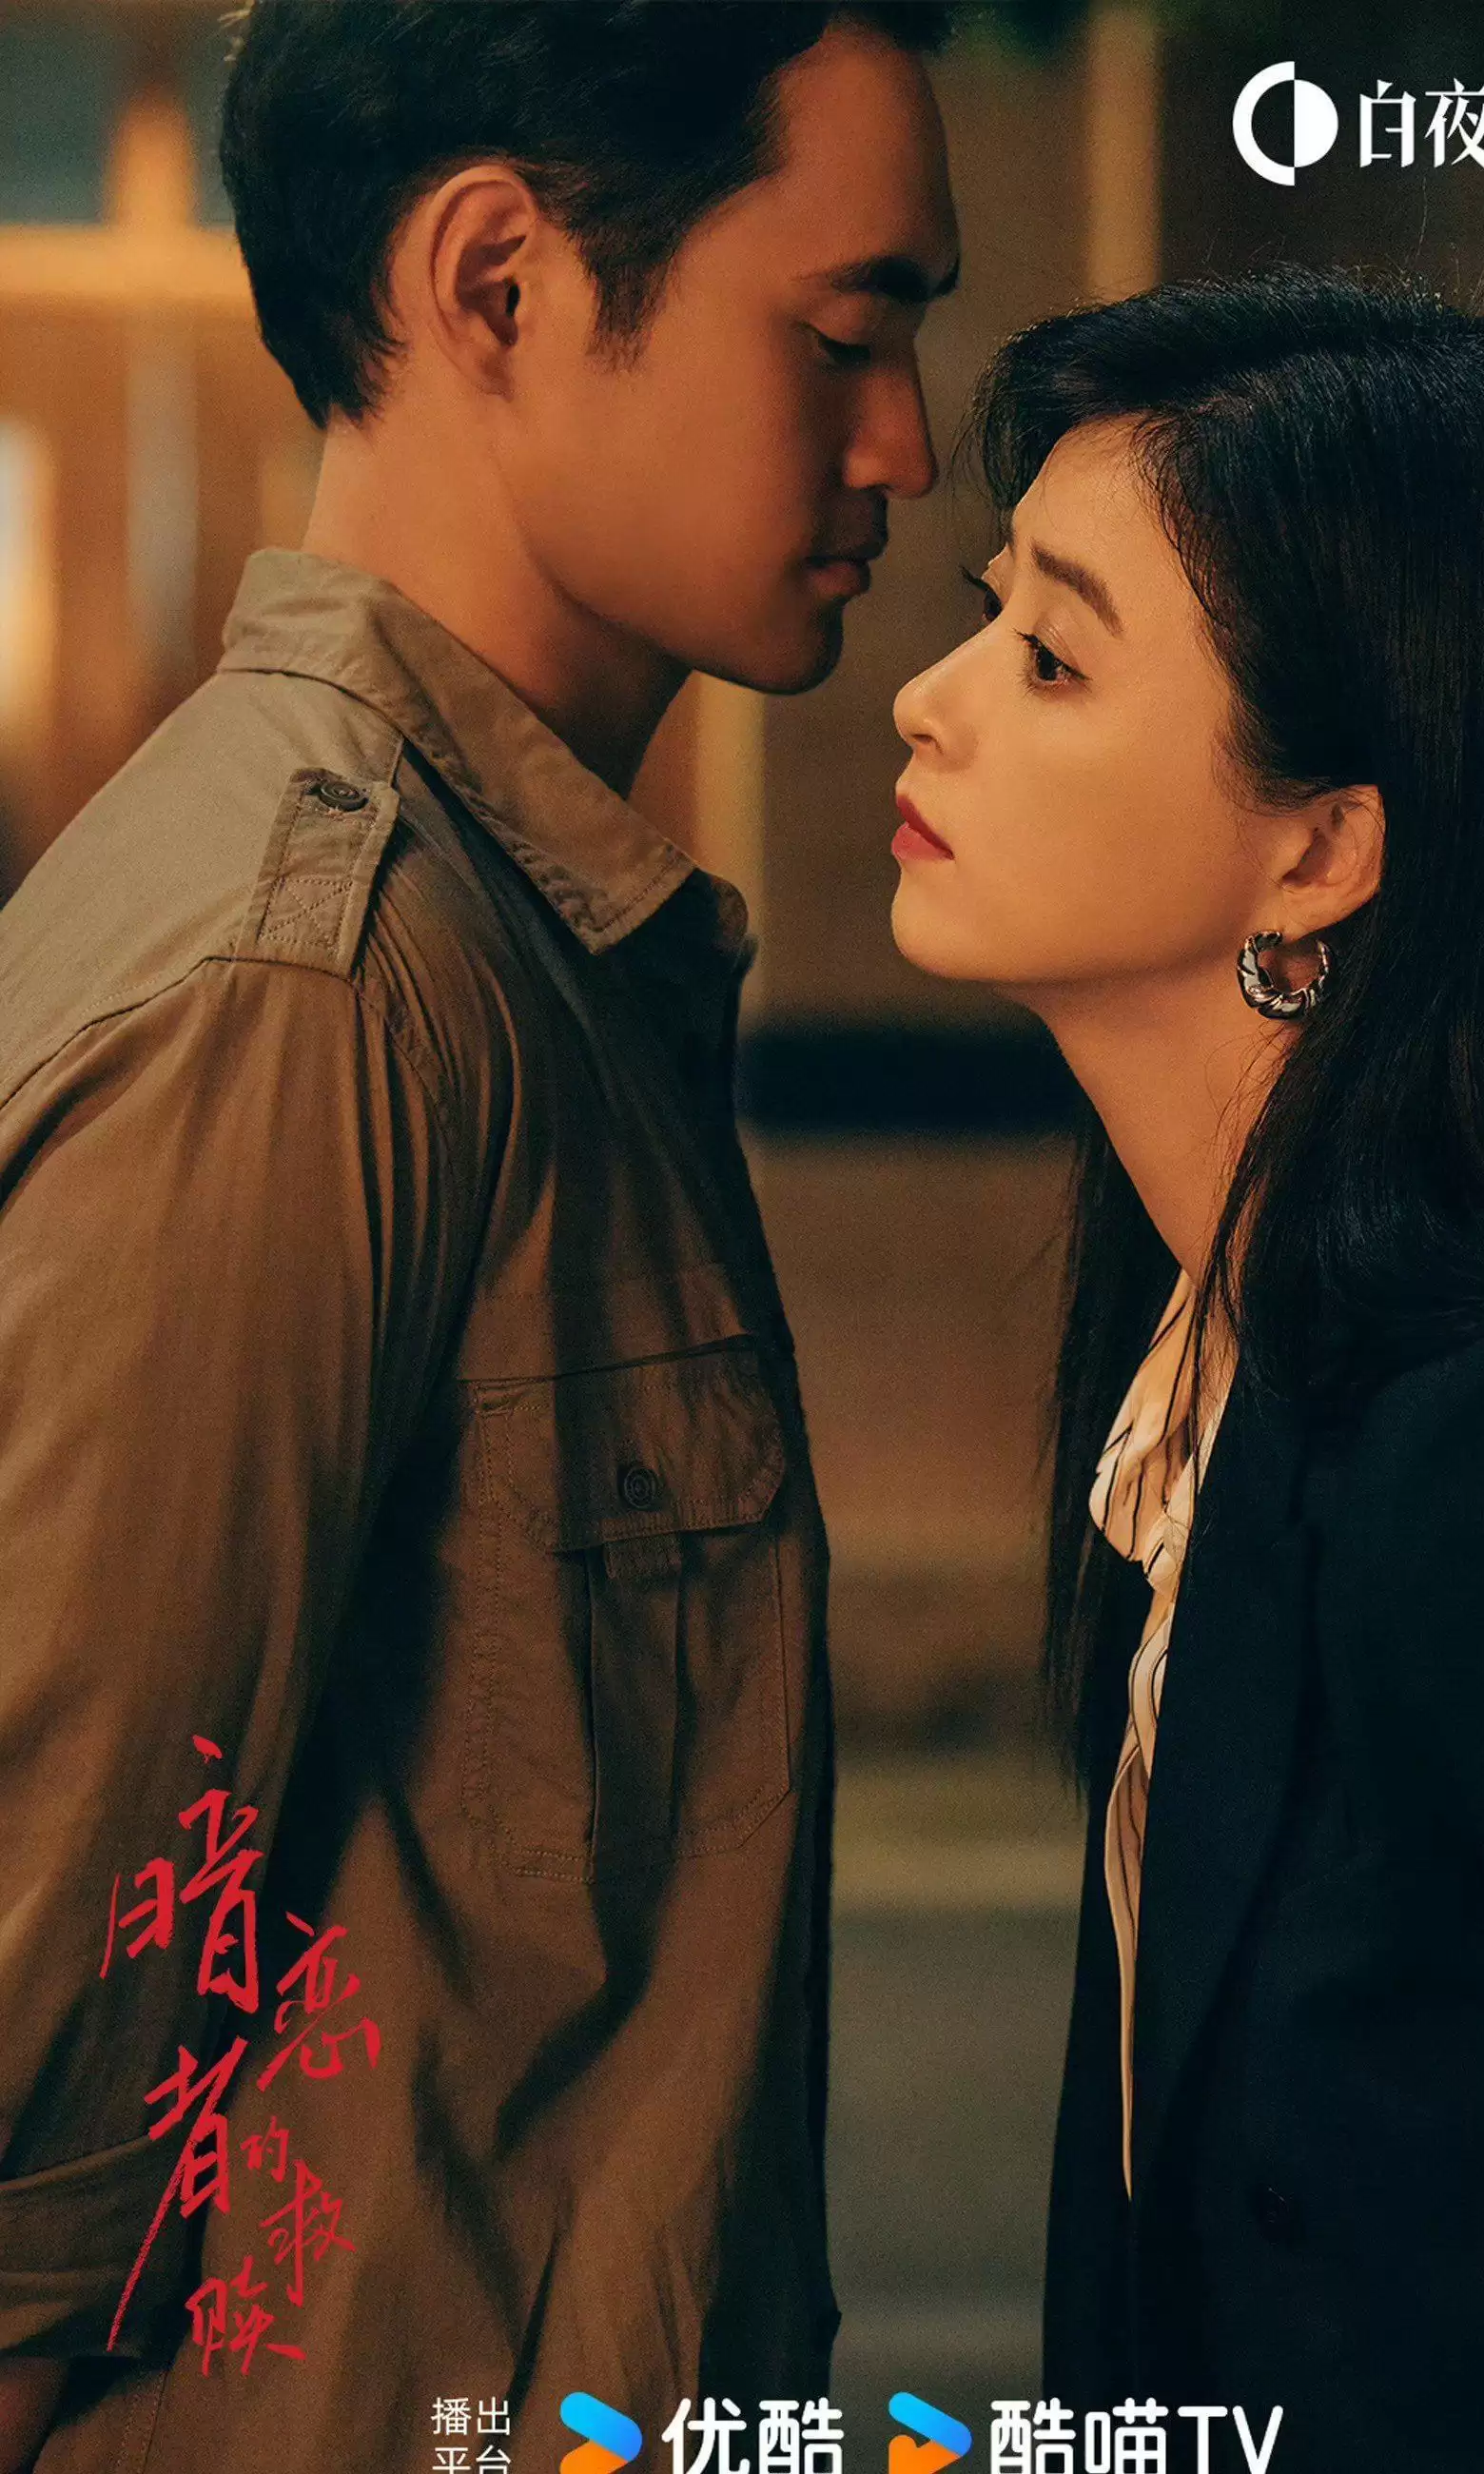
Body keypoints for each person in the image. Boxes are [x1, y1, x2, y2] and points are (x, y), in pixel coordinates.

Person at [0, 6, 958, 2469]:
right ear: (498, 286)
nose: (907, 444)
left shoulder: (509, 942)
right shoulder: (318, 986)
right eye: (842, 333)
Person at [888, 265, 1484, 2469]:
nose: (928, 704)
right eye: (988, 615)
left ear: (1327, 844)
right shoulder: (1210, 1374)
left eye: (1053, 659)